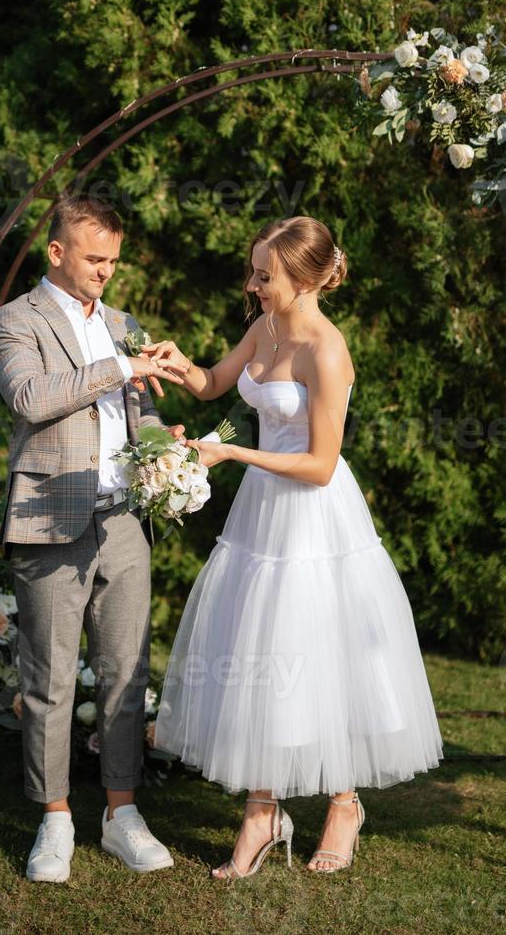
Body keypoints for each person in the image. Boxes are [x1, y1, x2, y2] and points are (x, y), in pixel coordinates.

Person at [148, 215, 444, 879]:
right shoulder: (266, 327)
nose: (251, 286)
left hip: (312, 516)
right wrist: (179, 365)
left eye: (264, 276)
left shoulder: (325, 350)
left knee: (318, 652)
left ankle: (343, 804)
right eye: (253, 272)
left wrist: (230, 451)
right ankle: (261, 810)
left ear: (307, 279)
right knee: (255, 647)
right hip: (262, 516)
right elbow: (214, 383)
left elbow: (317, 464)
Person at [0, 195, 188, 882]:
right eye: (94, 258)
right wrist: (121, 368)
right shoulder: (15, 320)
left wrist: (169, 446)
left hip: (123, 521)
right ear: (57, 252)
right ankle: (55, 819)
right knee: (49, 680)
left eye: (113, 261)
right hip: (49, 521)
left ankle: (121, 815)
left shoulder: (125, 324)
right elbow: (32, 399)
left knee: (127, 676)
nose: (106, 271)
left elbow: (140, 414)